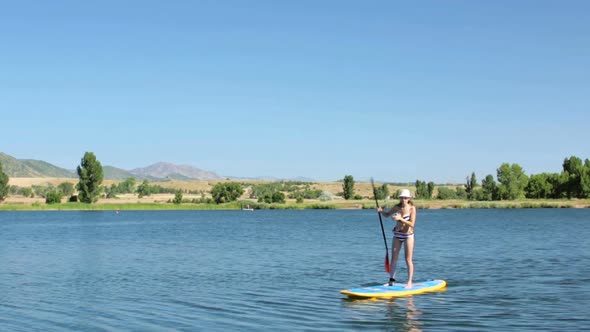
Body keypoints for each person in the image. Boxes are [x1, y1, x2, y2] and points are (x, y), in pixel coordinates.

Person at [377, 189, 417, 288]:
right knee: (394, 258)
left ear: (409, 199)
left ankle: (409, 282)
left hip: (408, 235)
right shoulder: (396, 207)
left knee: (408, 259)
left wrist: (401, 219)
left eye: (405, 198)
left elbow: (412, 224)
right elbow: (387, 215)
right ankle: (391, 281)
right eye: (402, 197)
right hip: (397, 235)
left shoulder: (412, 209)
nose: (403, 199)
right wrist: (381, 211)